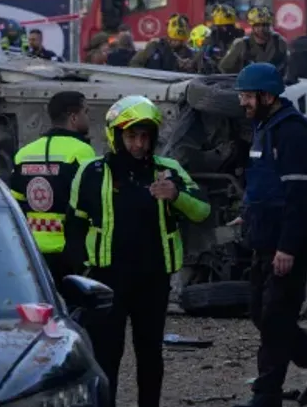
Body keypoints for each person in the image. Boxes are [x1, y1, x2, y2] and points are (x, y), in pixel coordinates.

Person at [65, 95, 211, 407]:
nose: (139, 145)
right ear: (116, 136)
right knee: (106, 355)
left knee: (150, 355)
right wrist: (81, 271)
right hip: (106, 282)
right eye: (132, 136)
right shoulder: (91, 172)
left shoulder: (168, 170)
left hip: (153, 281)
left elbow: (202, 211)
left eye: (145, 137)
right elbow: (74, 225)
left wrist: (176, 195)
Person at [234, 63, 307, 407]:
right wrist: (248, 216)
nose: (243, 103)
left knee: (275, 319)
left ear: (267, 96)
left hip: (284, 247)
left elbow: (301, 196)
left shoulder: (292, 132)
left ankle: (266, 395)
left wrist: (288, 247)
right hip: (263, 240)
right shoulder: (264, 127)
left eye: (247, 96)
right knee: (262, 314)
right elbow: (264, 184)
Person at [10, 91, 97, 284]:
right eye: (86, 112)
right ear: (73, 117)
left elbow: (15, 205)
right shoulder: (82, 152)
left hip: (31, 250)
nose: (88, 118)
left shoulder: (24, 154)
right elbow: (92, 202)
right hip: (68, 251)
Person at [220, 6, 289, 74]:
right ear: (252, 26)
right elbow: (224, 67)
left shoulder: (279, 42)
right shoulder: (241, 44)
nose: (261, 29)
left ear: (269, 25)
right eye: (257, 25)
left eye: (265, 25)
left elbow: (288, 65)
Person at [131, 14, 195, 71]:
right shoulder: (155, 46)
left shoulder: (189, 54)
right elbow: (134, 63)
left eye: (178, 40)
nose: (174, 42)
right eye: (173, 39)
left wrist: (189, 67)